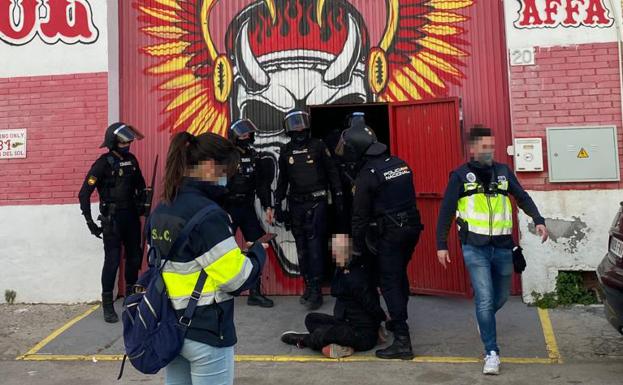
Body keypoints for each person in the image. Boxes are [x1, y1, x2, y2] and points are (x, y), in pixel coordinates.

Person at [148, 131, 266, 385]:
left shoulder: (163, 208)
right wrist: (257, 253)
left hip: (170, 326)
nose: (227, 179)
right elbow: (236, 279)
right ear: (210, 166)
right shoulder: (208, 214)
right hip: (206, 330)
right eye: (226, 171)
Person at [436, 125, 549, 375]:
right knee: (485, 299)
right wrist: (441, 245)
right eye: (484, 147)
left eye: (492, 147)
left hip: (502, 247)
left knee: (499, 298)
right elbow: (446, 211)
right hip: (474, 248)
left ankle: (483, 318)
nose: (489, 151)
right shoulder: (460, 175)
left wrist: (538, 219)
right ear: (473, 149)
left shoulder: (503, 172)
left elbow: (522, 196)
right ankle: (491, 352)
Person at [336, 124, 422, 360]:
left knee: (389, 281)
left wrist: (358, 247)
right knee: (399, 275)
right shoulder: (399, 164)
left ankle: (403, 341)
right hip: (412, 228)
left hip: (391, 233)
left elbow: (360, 216)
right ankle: (397, 322)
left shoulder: (367, 175)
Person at [273, 109, 344, 310]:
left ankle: (316, 290)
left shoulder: (318, 146)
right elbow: (282, 181)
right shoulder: (286, 151)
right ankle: (308, 285)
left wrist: (338, 196)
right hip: (296, 204)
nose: (299, 128)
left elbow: (332, 172)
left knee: (314, 247)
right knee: (301, 247)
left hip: (317, 201)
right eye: (294, 124)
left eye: (302, 123)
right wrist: (278, 205)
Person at [79, 122, 147, 323]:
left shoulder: (132, 161)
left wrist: (144, 202)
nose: (127, 144)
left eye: (128, 140)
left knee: (134, 259)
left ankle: (131, 300)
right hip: (112, 219)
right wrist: (90, 221)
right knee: (112, 261)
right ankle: (108, 305)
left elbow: (140, 186)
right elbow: (84, 193)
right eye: (123, 141)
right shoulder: (102, 163)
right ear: (113, 141)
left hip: (131, 218)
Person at [280, 234, 386, 358]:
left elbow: (371, 303)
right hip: (346, 323)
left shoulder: (355, 276)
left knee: (322, 333)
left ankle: (304, 340)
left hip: (361, 334)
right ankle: (340, 344)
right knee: (311, 319)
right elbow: (335, 290)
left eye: (336, 251)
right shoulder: (343, 269)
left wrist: (382, 319)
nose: (334, 254)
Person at [226, 119, 274, 308]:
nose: (245, 137)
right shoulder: (225, 156)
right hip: (227, 209)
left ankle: (255, 292)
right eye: (242, 134)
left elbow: (262, 186)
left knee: (258, 245)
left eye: (248, 134)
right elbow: (214, 184)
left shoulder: (255, 156)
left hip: (247, 208)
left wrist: (269, 207)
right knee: (221, 249)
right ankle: (216, 291)